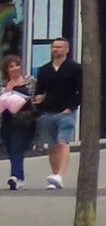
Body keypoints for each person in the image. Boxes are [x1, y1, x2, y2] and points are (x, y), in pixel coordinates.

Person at [33, 35, 80, 191]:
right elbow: (39, 92)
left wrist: (71, 107)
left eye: (59, 47)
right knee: (52, 146)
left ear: (67, 50)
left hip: (66, 112)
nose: (55, 49)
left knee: (62, 142)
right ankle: (55, 176)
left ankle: (60, 174)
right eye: (53, 47)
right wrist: (40, 107)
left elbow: (81, 91)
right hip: (48, 112)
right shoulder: (44, 70)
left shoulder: (75, 68)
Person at [0, 52, 32, 189]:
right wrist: (6, 92)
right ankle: (19, 178)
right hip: (7, 121)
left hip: (24, 121)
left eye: (17, 65)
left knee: (17, 147)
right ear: (6, 69)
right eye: (11, 66)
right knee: (11, 147)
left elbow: (36, 97)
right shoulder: (3, 84)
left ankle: (14, 175)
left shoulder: (30, 81)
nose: (14, 68)